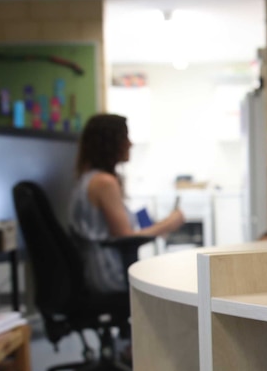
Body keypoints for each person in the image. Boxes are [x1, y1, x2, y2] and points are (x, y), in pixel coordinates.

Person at [69, 114, 184, 294]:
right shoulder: (104, 182)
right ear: (110, 143)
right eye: (125, 137)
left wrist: (160, 225)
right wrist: (169, 223)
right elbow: (126, 237)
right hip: (108, 275)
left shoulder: (89, 179)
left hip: (92, 271)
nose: (130, 144)